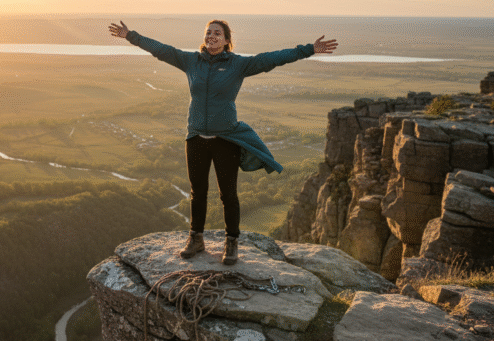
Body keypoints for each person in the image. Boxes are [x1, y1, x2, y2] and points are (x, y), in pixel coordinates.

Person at [108, 19, 337, 265]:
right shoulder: (190, 61)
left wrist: (309, 49)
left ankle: (232, 242)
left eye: (217, 33)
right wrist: (130, 35)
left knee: (228, 195)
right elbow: (161, 49)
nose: (211, 36)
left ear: (227, 40)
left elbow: (272, 58)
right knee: (198, 193)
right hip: (196, 137)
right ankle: (196, 239)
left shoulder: (238, 64)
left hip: (225, 139)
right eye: (208, 32)